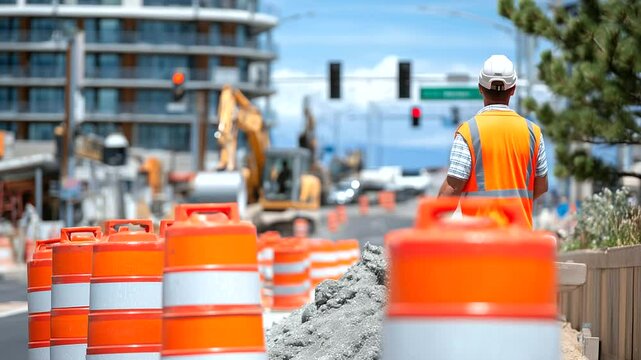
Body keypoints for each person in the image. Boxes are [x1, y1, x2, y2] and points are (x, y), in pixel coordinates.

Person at [438, 55, 548, 228]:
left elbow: (451, 190)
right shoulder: (533, 132)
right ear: (513, 89)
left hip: (482, 241)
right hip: (520, 239)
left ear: (480, 88)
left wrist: (436, 225)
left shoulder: (468, 132)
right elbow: (541, 186)